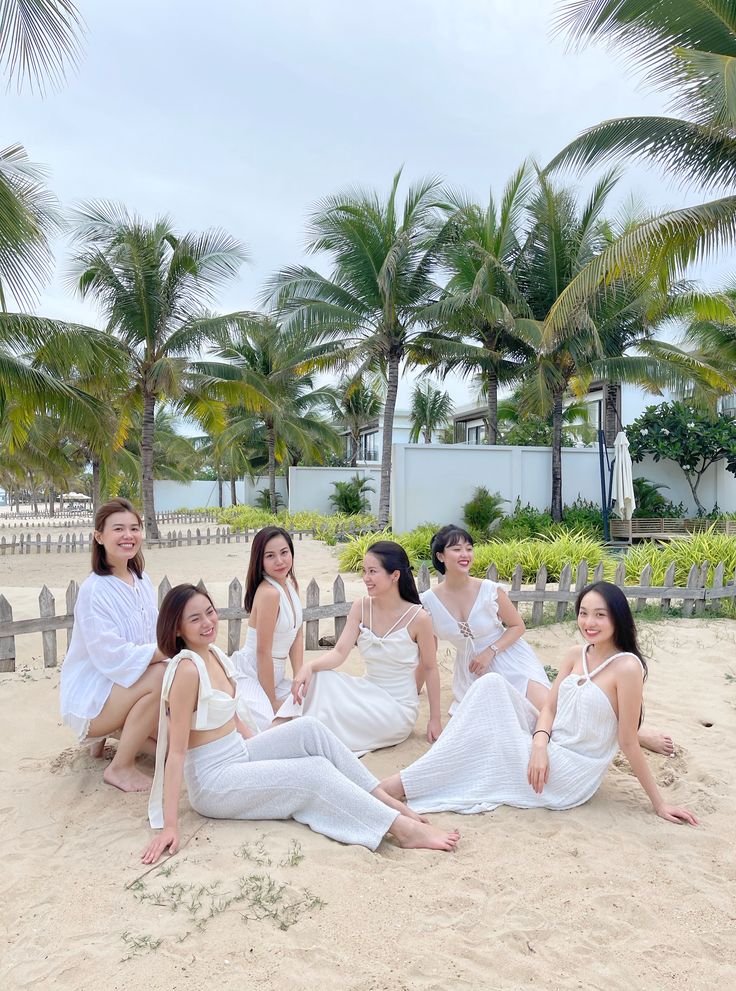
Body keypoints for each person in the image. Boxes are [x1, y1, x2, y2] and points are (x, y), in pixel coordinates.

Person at [142, 584, 460, 864]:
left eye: (209, 612)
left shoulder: (214, 655)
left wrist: (264, 746)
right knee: (313, 773)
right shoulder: (186, 670)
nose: (208, 623)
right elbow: (177, 753)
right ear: (178, 628)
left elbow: (234, 719)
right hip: (214, 782)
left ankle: (383, 798)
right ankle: (400, 829)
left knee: (309, 728)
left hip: (237, 753)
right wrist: (170, 825)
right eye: (194, 619)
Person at [380, 582, 697, 827]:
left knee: (489, 746)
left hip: (571, 769)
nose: (589, 622)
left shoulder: (627, 668)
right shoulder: (577, 654)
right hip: (549, 743)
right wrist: (540, 745)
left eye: (600, 614)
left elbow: (628, 741)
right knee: (490, 685)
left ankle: (397, 786)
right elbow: (550, 708)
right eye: (584, 613)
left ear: (618, 617)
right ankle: (409, 780)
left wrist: (659, 803)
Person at [423, 524, 675, 756]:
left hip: (507, 656)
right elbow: (426, 657)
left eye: (469, 548)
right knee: (497, 726)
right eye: (456, 549)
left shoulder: (489, 590)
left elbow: (517, 626)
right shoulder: (428, 601)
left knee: (552, 708)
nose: (465, 554)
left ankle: (636, 733)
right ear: (440, 556)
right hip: (471, 671)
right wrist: (418, 698)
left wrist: (491, 650)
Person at [281, 541, 442, 754]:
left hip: (396, 707)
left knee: (334, 717)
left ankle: (301, 742)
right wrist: (310, 666)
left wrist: (435, 720)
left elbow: (430, 668)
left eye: (373, 572)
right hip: (366, 691)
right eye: (364, 571)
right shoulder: (361, 607)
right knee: (319, 678)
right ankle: (282, 731)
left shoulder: (419, 618)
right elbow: (339, 653)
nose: (366, 578)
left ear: (395, 575)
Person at [59, 498, 167, 792]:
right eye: (118, 529)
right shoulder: (95, 590)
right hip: (90, 698)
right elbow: (112, 657)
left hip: (117, 690)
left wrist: (164, 651)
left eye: (134, 528)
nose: (127, 536)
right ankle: (120, 766)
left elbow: (151, 634)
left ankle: (103, 740)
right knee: (159, 677)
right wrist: (163, 653)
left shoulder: (140, 579)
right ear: (99, 536)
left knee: (167, 745)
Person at [232, 526, 304, 732]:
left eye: (284, 552)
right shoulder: (269, 593)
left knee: (310, 702)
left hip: (276, 675)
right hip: (252, 673)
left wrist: (299, 676)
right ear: (260, 560)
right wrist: (271, 701)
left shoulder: (291, 585)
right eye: (270, 556)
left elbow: (296, 634)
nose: (280, 561)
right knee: (269, 724)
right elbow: (262, 651)